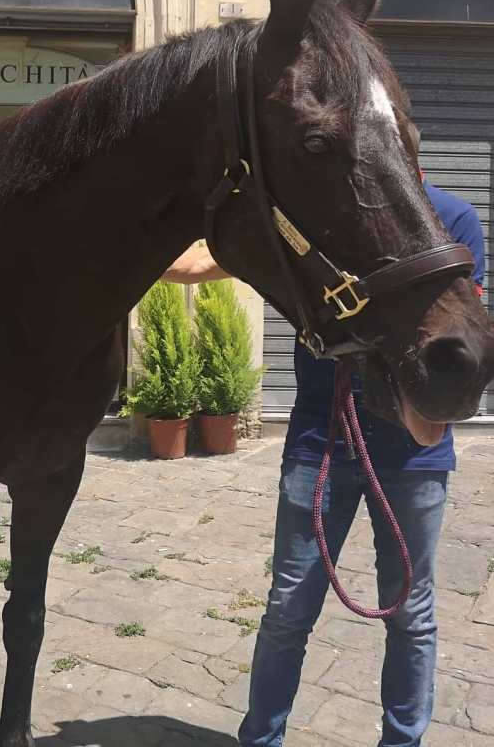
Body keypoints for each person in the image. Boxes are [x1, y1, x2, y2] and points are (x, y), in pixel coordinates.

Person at [164, 180, 485, 747]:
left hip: (414, 453)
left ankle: (402, 741)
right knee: (288, 607)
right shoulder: (313, 218)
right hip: (321, 441)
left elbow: (459, 345)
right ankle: (261, 739)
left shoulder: (452, 220)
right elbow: (196, 262)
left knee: (412, 616)